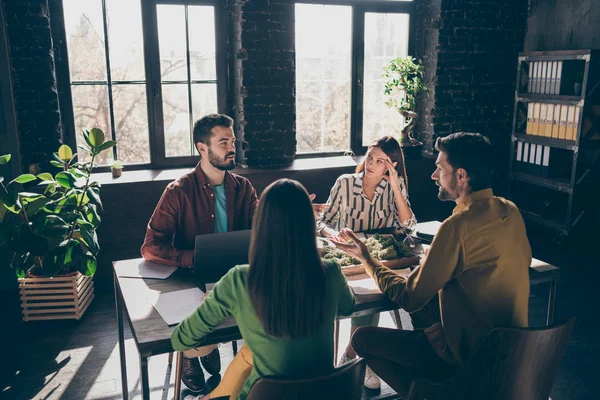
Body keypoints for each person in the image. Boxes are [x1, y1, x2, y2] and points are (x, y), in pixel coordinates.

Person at [331, 132, 532, 397]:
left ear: (461, 176)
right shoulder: (510, 210)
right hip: (514, 353)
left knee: (361, 339)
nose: (433, 175)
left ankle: (429, 393)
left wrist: (367, 258)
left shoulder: (456, 227)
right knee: (424, 314)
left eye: (439, 168)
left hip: (467, 359)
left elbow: (408, 297)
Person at [171, 179, 356, 400]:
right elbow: (348, 307)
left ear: (260, 225)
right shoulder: (331, 271)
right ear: (309, 224)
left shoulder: (239, 280)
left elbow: (180, 340)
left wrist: (226, 305)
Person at [141, 114, 258, 392]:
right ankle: (195, 353)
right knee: (195, 314)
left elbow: (261, 229)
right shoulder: (178, 191)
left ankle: (205, 347)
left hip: (234, 277)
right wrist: (190, 258)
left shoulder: (243, 188)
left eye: (233, 141)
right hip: (191, 278)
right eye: (223, 142)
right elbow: (150, 247)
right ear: (202, 148)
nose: (232, 148)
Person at [316, 135, 416, 389]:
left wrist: (395, 186)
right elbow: (322, 222)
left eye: (380, 161)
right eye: (370, 156)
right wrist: (332, 234)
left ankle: (353, 355)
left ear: (391, 166)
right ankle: (364, 357)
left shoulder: (395, 185)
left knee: (381, 290)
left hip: (381, 260)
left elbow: (409, 225)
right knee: (365, 296)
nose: (371, 163)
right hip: (349, 258)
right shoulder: (346, 183)